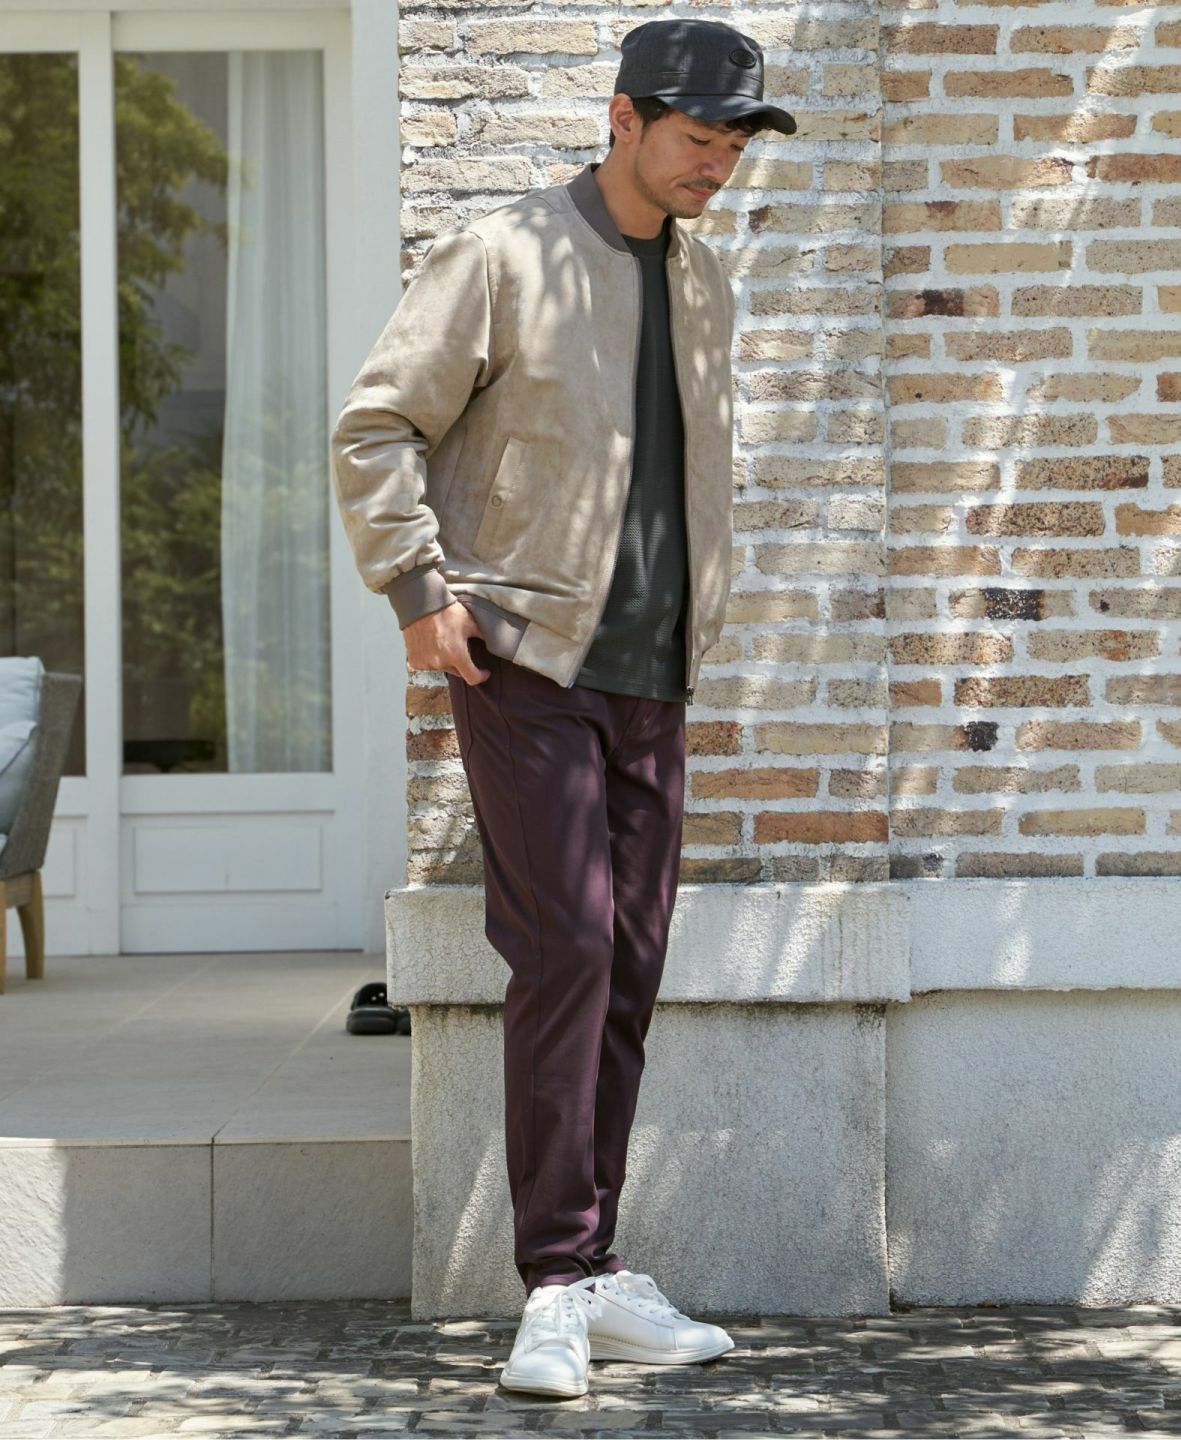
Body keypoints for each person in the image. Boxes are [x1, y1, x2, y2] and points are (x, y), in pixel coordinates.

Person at [330, 16, 797, 1400]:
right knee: (568, 952)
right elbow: (378, 425)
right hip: (529, 661)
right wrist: (418, 591)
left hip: (657, 673)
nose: (717, 167)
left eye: (735, 146)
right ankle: (552, 1284)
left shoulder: (706, 281)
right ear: (624, 119)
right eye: (699, 139)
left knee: (630, 965)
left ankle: (596, 1273)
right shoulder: (505, 255)